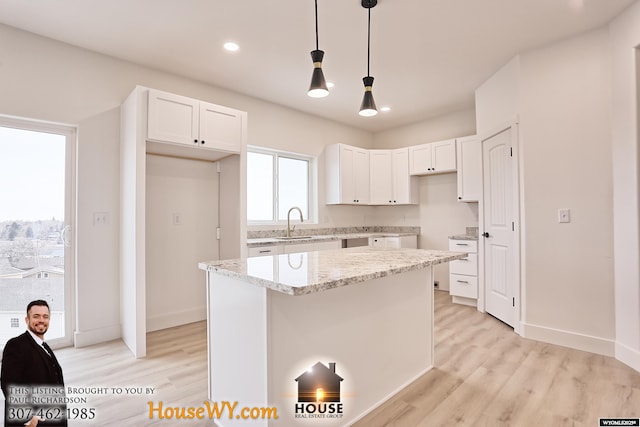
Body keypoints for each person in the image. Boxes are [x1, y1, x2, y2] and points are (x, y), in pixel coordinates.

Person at [1, 300, 67, 427]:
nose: (41, 320)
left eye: (45, 316)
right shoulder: (16, 345)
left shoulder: (44, 346)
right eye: (36, 316)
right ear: (27, 320)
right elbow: (8, 385)